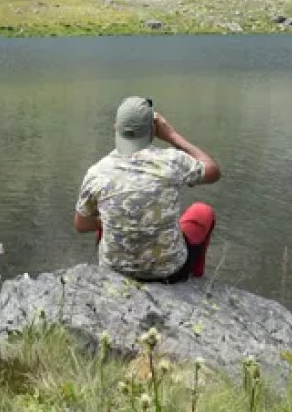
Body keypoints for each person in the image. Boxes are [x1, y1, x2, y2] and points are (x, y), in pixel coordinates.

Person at [74, 97, 222, 283]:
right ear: (153, 130)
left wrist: (119, 218)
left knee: (107, 212)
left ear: (116, 128)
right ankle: (195, 276)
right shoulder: (173, 161)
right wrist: (172, 135)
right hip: (170, 272)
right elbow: (213, 172)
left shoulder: (97, 173)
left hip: (115, 272)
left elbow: (81, 225)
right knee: (202, 211)